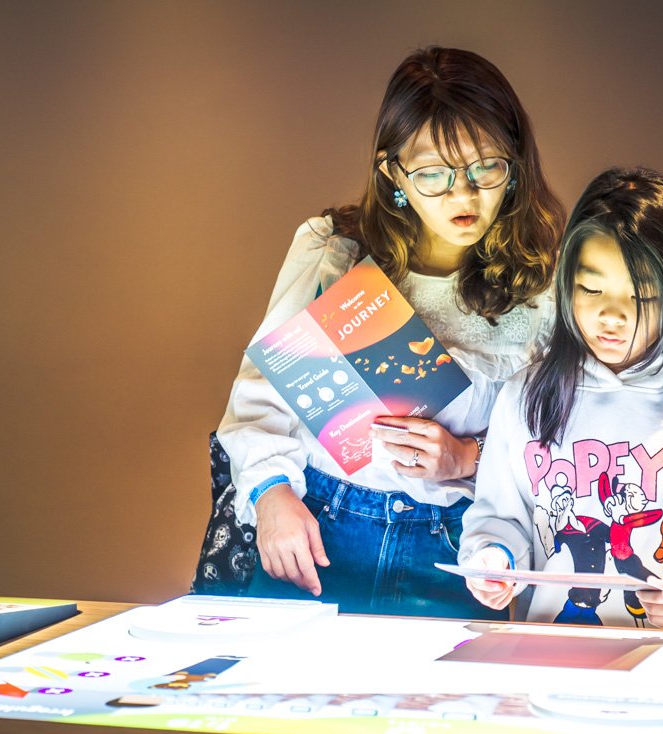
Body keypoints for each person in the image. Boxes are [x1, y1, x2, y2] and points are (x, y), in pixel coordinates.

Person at [195, 47, 563, 619]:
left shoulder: (549, 287)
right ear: (393, 172)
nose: (462, 196)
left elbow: (561, 445)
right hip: (316, 528)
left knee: (437, 709)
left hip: (453, 551)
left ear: (516, 163)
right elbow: (259, 395)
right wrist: (271, 497)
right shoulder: (334, 251)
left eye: (486, 167)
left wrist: (470, 456)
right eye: (433, 174)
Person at [459, 167, 663, 630]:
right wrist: (492, 559)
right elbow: (499, 517)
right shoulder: (525, 398)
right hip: (551, 659)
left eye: (641, 296)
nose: (611, 315)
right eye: (590, 288)